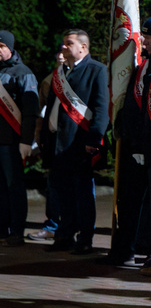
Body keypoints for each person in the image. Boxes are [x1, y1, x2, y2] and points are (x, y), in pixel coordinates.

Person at [41, 29, 108, 255]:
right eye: (63, 43)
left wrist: (94, 138)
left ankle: (85, 238)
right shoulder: (60, 72)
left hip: (79, 144)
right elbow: (51, 107)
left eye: (69, 44)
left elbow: (101, 108)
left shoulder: (97, 70)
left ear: (83, 48)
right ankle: (65, 235)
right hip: (58, 142)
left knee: (82, 195)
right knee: (63, 194)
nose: (64, 47)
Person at [0, 30, 38, 246]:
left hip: (11, 141)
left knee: (14, 186)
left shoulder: (23, 73)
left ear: (10, 48)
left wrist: (26, 140)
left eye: (1, 46)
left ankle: (17, 231)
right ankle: (1, 226)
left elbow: (31, 110)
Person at [105, 20, 151, 264]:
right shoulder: (142, 67)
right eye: (143, 36)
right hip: (135, 145)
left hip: (148, 145)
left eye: (148, 37)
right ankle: (124, 250)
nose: (142, 40)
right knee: (129, 198)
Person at [28, 46, 67, 241]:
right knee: (53, 185)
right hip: (53, 141)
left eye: (64, 51)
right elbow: (40, 114)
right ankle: (52, 225)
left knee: (79, 188)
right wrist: (38, 139)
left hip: (74, 142)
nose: (61, 55)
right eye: (58, 52)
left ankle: (78, 230)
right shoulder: (48, 81)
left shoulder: (88, 74)